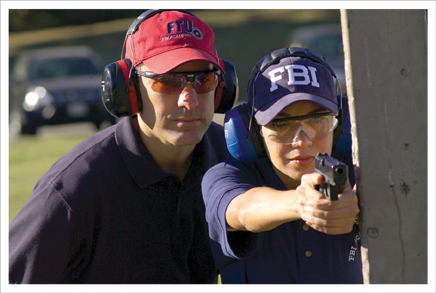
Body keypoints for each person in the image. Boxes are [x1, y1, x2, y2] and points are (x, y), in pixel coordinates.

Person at [9, 9, 237, 284]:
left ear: (222, 88)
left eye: (204, 79)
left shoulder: (233, 158)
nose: (188, 99)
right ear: (127, 89)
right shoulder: (74, 188)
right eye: (168, 81)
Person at [202, 47, 363, 284]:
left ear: (339, 124)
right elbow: (241, 210)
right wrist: (303, 203)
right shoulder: (226, 176)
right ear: (254, 131)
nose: (302, 140)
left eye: (317, 119)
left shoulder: (361, 171)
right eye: (280, 123)